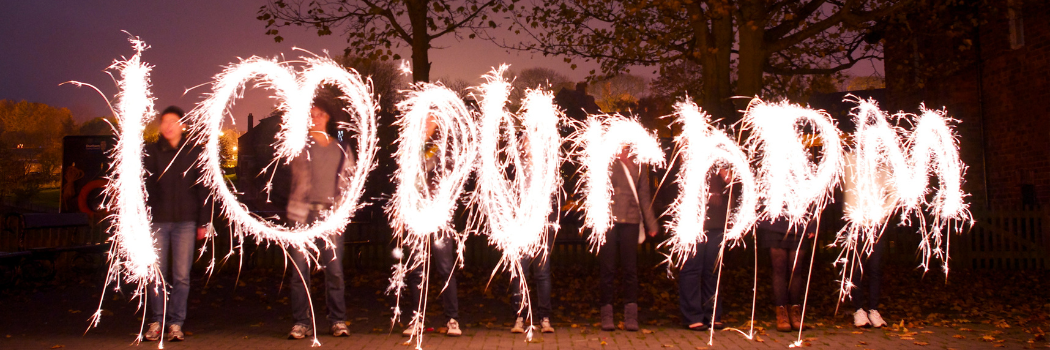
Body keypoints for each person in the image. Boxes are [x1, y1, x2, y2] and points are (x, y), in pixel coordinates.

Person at [286, 96, 356, 340]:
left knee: (334, 270)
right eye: (311, 114)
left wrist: (342, 211)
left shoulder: (340, 145)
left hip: (330, 215)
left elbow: (350, 180)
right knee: (299, 271)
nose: (314, 118)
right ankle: (301, 322)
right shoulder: (299, 145)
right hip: (302, 216)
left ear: (328, 117)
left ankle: (337, 320)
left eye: (319, 114)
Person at [142, 106, 212, 342]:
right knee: (156, 274)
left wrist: (204, 221)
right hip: (158, 222)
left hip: (185, 222)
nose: (168, 125)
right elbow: (144, 187)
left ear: (183, 125)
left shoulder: (194, 152)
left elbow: (205, 188)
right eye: (164, 121)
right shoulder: (151, 152)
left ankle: (175, 323)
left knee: (181, 275)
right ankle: (156, 320)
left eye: (173, 121)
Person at [402, 113, 463, 338]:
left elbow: (451, 177)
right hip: (415, 215)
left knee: (445, 268)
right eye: (424, 118)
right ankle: (417, 318)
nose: (426, 123)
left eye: (432, 119)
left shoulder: (444, 147)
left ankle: (452, 318)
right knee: (416, 269)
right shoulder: (410, 147)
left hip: (439, 215)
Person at [599, 146, 659, 332]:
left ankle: (631, 316)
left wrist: (651, 223)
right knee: (607, 268)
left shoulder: (638, 164)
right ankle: (606, 315)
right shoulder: (607, 160)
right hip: (609, 220)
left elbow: (644, 195)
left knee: (630, 269)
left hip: (631, 220)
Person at [678, 168, 732, 331]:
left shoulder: (722, 163)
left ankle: (713, 314)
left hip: (716, 222)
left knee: (712, 269)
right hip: (692, 222)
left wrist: (727, 180)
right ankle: (693, 315)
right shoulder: (688, 158)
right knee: (692, 268)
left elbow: (735, 192)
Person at [758, 218, 815, 332]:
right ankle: (781, 312)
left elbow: (815, 202)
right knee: (779, 268)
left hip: (800, 223)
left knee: (796, 268)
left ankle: (795, 311)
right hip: (775, 222)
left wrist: (813, 226)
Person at [510, 223, 557, 334]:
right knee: (522, 274)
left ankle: (543, 317)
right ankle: (521, 316)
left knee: (541, 274)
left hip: (541, 226)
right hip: (521, 225)